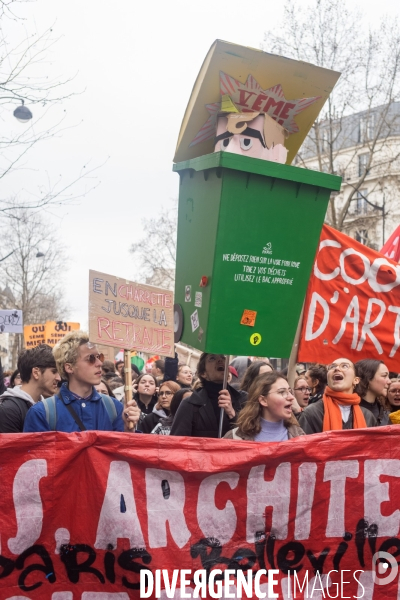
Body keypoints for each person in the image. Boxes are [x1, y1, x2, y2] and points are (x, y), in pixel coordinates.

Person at [23, 331, 139, 432]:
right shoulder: (42, 413)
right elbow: (36, 456)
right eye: (91, 358)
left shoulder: (114, 408)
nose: (99, 363)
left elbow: (122, 454)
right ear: (69, 367)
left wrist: (128, 429)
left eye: (100, 357)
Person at [170, 353, 247, 438]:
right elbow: (177, 442)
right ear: (203, 373)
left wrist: (232, 414)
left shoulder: (243, 399)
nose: (220, 360)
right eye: (212, 358)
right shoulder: (189, 404)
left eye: (222, 357)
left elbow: (251, 437)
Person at [299, 358, 377, 434]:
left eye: (344, 366)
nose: (337, 369)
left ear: (356, 380)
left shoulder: (368, 417)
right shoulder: (312, 413)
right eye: (332, 367)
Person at [224, 371, 304, 441]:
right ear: (263, 400)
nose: (291, 397)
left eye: (290, 391)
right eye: (282, 392)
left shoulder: (300, 436)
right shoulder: (234, 438)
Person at [0, 345, 60, 433]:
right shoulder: (9, 410)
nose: (59, 378)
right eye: (54, 371)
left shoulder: (47, 406)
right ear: (36, 373)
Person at [354, 359, 391, 426]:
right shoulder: (348, 412)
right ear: (367, 378)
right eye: (384, 376)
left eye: (388, 377)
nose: (389, 382)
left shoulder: (386, 414)